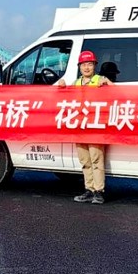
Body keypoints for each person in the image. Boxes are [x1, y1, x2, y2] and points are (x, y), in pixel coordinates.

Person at [57, 50, 114, 204]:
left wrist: (107, 82)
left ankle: (99, 191)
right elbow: (64, 98)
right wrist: (62, 86)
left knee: (96, 160)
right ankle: (89, 189)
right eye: (83, 65)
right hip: (80, 128)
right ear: (79, 67)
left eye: (89, 64)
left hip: (95, 128)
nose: (86, 67)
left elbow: (116, 94)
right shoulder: (76, 83)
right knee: (85, 161)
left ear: (94, 66)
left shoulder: (99, 80)